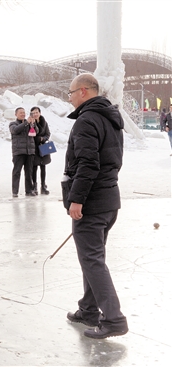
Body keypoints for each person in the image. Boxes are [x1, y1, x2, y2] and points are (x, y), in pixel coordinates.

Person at [63, 73, 128, 339]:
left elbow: (88, 164)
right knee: (92, 258)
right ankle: (88, 309)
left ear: (83, 91)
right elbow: (114, 161)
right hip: (108, 201)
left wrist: (77, 200)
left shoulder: (87, 120)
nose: (68, 98)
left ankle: (114, 319)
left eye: (70, 92)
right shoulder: (110, 119)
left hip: (91, 202)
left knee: (92, 261)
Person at [9, 107, 38, 197]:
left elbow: (36, 132)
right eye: (20, 113)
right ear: (16, 114)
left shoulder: (29, 123)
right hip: (18, 152)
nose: (23, 114)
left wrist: (33, 125)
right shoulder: (12, 124)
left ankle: (29, 191)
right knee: (17, 172)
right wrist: (26, 123)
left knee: (29, 172)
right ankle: (15, 191)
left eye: (24, 113)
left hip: (29, 151)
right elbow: (15, 130)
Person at [30, 106, 51, 195]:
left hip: (43, 146)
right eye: (33, 113)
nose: (35, 114)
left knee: (43, 166)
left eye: (36, 112)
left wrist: (44, 138)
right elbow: (30, 135)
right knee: (34, 167)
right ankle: (34, 186)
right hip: (34, 147)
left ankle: (43, 186)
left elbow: (48, 133)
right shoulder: (30, 123)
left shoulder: (44, 122)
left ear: (40, 113)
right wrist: (38, 138)